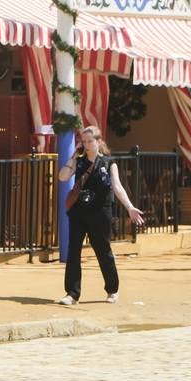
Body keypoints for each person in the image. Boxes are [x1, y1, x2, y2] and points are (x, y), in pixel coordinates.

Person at [55, 126, 145, 305]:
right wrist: (73, 156)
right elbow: (63, 177)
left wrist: (129, 207)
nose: (87, 145)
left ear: (98, 142)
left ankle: (112, 290)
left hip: (100, 212)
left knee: (103, 251)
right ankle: (72, 294)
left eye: (90, 141)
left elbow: (117, 187)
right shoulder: (79, 162)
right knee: (73, 251)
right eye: (84, 141)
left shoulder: (109, 163)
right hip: (79, 212)